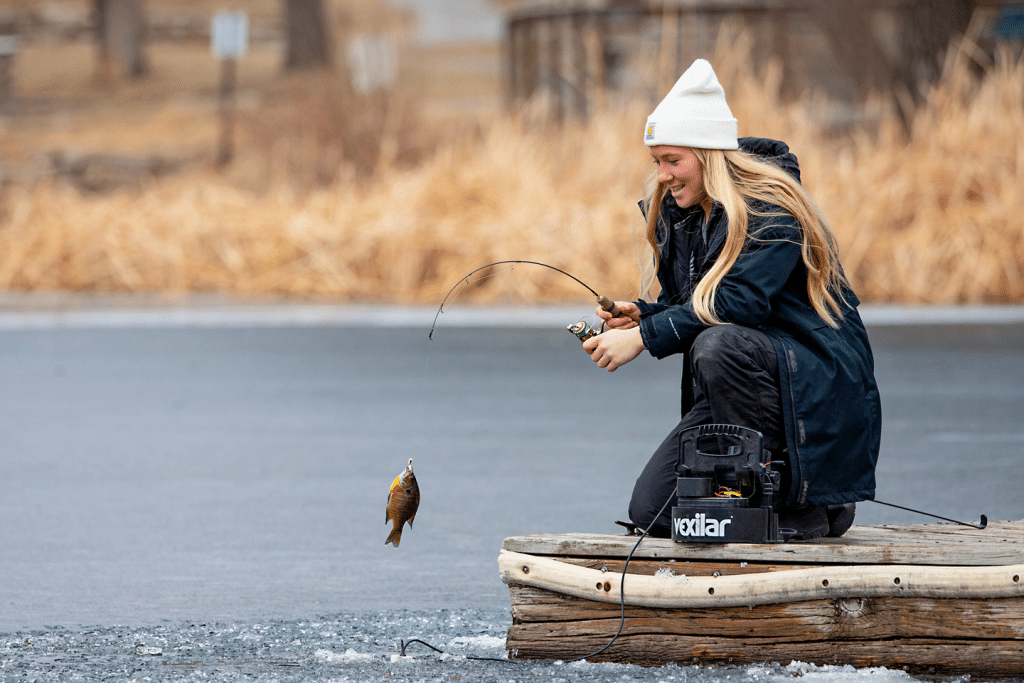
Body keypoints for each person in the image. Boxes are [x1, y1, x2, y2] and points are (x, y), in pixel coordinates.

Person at [582, 59, 881, 540]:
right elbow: (697, 303)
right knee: (651, 512)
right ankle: (795, 502)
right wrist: (645, 313)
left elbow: (738, 305)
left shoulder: (771, 206)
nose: (662, 176)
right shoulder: (690, 213)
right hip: (747, 376)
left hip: (811, 386)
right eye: (656, 161)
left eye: (672, 161)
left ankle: (798, 499)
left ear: (709, 155)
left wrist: (645, 337)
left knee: (718, 346)